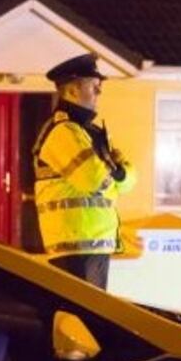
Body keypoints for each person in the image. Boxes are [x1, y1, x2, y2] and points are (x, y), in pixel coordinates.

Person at [32, 53, 136, 290]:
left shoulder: (91, 132)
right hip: (73, 246)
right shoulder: (62, 132)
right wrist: (115, 172)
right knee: (80, 319)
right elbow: (93, 179)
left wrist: (116, 173)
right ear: (72, 90)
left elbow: (129, 178)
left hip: (95, 244)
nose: (99, 93)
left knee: (91, 317)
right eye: (94, 86)